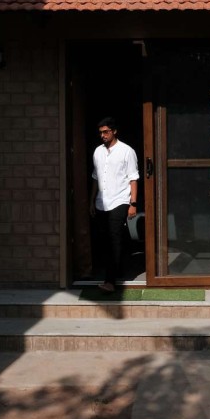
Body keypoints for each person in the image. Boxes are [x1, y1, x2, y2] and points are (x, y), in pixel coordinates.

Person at [91, 115, 138, 293]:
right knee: (105, 240)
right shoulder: (97, 152)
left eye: (106, 132)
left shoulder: (126, 151)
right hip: (101, 202)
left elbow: (133, 178)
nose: (103, 135)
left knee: (114, 238)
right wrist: (91, 201)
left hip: (120, 200)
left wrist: (133, 203)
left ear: (114, 131)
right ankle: (118, 270)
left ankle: (110, 281)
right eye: (101, 132)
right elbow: (95, 178)